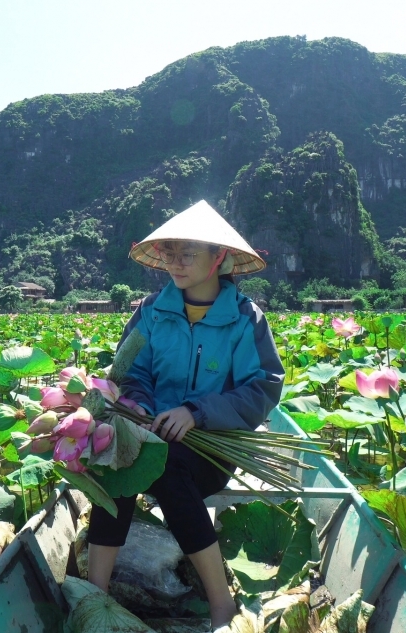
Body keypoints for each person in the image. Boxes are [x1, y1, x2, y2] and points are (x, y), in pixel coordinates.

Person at [85, 200, 284, 629]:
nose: (175, 263)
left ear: (219, 257)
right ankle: (94, 595)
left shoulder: (245, 320)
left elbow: (263, 387)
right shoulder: (150, 311)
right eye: (170, 253)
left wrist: (197, 412)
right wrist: (138, 408)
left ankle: (220, 604)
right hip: (148, 432)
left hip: (212, 448)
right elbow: (130, 373)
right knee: (115, 460)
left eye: (188, 254)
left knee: (169, 467)